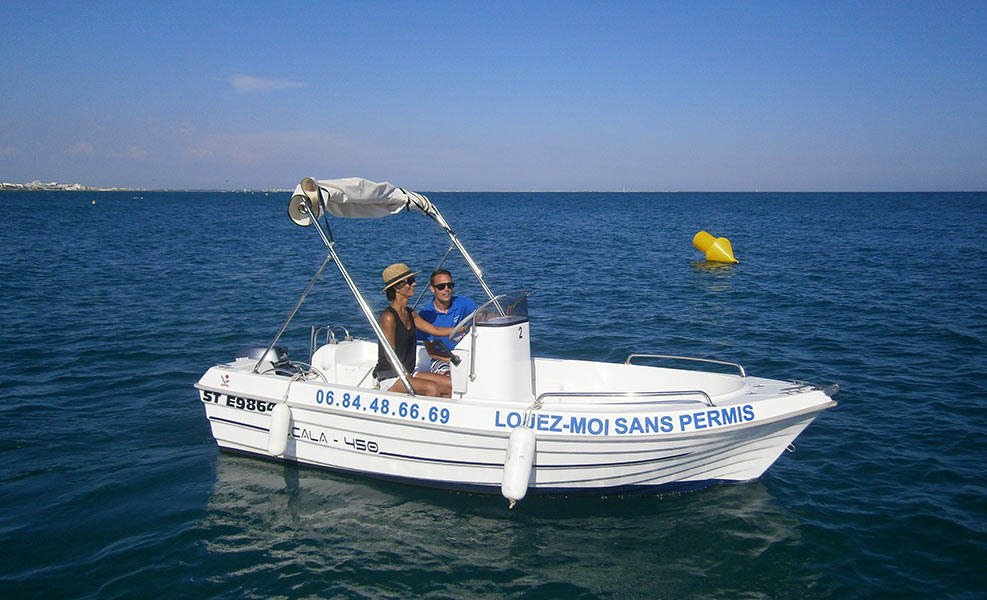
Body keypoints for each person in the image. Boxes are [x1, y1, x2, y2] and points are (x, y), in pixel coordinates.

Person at [373, 263, 453, 398]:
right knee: (432, 388)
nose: (414, 284)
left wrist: (463, 328)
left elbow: (435, 329)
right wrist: (406, 377)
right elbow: (389, 355)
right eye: (410, 281)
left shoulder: (411, 313)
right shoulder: (388, 317)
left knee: (450, 384)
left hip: (408, 371)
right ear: (397, 287)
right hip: (390, 376)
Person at [417, 269, 478, 374]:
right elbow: (432, 352)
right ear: (432, 289)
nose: (446, 289)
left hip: (468, 354)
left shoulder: (464, 303)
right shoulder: (425, 315)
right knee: (450, 376)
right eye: (441, 286)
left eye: (450, 285)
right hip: (442, 359)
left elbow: (481, 316)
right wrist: (453, 360)